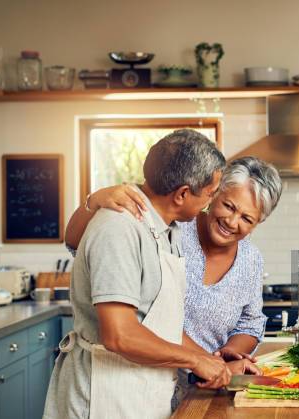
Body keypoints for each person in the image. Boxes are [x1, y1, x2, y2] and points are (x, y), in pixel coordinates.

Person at [43, 129, 231, 419]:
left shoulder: (167, 229)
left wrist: (212, 360)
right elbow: (120, 335)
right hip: (104, 395)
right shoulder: (119, 229)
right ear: (182, 194)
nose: (210, 202)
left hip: (140, 390)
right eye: (209, 194)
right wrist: (194, 361)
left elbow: (157, 324)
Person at [64, 156, 283, 405]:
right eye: (229, 206)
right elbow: (76, 243)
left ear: (258, 223)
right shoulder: (174, 227)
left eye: (247, 219)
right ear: (214, 194)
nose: (232, 222)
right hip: (141, 379)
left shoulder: (251, 259)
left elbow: (250, 323)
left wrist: (225, 358)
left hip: (209, 387)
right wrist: (93, 201)